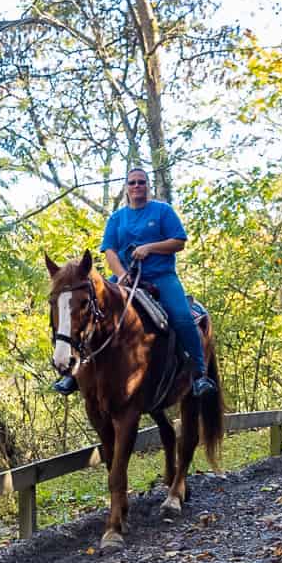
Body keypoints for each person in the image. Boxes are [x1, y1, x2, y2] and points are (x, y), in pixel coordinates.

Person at [98, 168, 215, 397]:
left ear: (148, 186)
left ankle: (199, 374)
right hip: (125, 278)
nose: (137, 186)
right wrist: (121, 274)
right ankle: (74, 372)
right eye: (132, 182)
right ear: (126, 187)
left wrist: (149, 248)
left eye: (141, 182)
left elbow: (179, 241)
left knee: (181, 316)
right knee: (92, 308)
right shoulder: (117, 218)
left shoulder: (162, 211)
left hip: (160, 276)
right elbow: (109, 250)